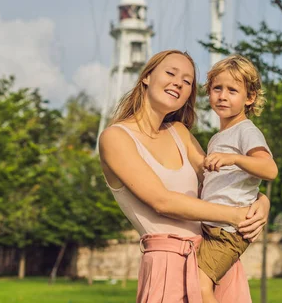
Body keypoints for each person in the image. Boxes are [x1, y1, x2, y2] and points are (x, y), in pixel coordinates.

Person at [98, 50, 270, 303]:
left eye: (187, 81)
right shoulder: (115, 138)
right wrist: (237, 215)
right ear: (146, 77)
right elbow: (163, 202)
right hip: (167, 267)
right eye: (170, 73)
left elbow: (221, 180)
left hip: (212, 262)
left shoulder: (180, 133)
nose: (178, 82)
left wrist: (261, 201)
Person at [196, 55, 277, 303]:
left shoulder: (246, 131)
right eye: (217, 88)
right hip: (212, 226)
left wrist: (234, 159)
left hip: (229, 231)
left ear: (249, 97)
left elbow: (269, 169)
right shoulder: (218, 137)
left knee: (200, 285)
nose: (223, 96)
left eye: (232, 90)